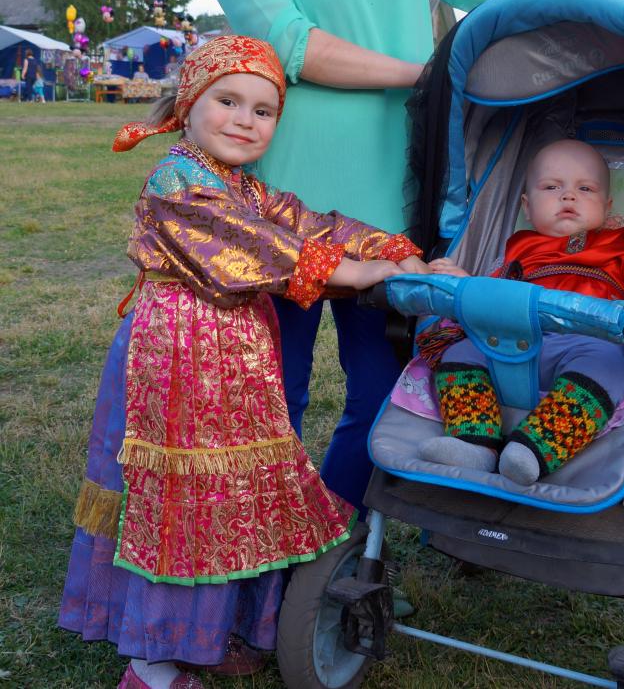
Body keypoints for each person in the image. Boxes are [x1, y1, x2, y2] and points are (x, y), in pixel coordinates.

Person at [207, 0, 554, 511]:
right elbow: (290, 43)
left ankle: (328, 529)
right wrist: (424, 75)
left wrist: (621, 20)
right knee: (275, 394)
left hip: (392, 207)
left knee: (386, 390)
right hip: (282, 206)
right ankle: (260, 544)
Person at [58, 35, 425, 689]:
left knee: (228, 495)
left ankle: (207, 633)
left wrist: (395, 250)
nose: (245, 120)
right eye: (227, 100)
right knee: (182, 498)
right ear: (189, 103)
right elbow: (258, 247)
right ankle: (151, 664)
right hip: (176, 361)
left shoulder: (244, 187)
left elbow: (311, 223)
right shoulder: (177, 182)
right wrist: (356, 270)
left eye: (263, 110)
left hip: (231, 362)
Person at [418, 140, 624, 485]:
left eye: (585, 189)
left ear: (607, 206)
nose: (568, 196)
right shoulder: (520, 247)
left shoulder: (622, 244)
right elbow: (494, 294)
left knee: (609, 365)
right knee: (460, 353)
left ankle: (532, 450)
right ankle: (475, 444)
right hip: (516, 341)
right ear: (527, 206)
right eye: (552, 187)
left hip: (587, 342)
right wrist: (465, 283)